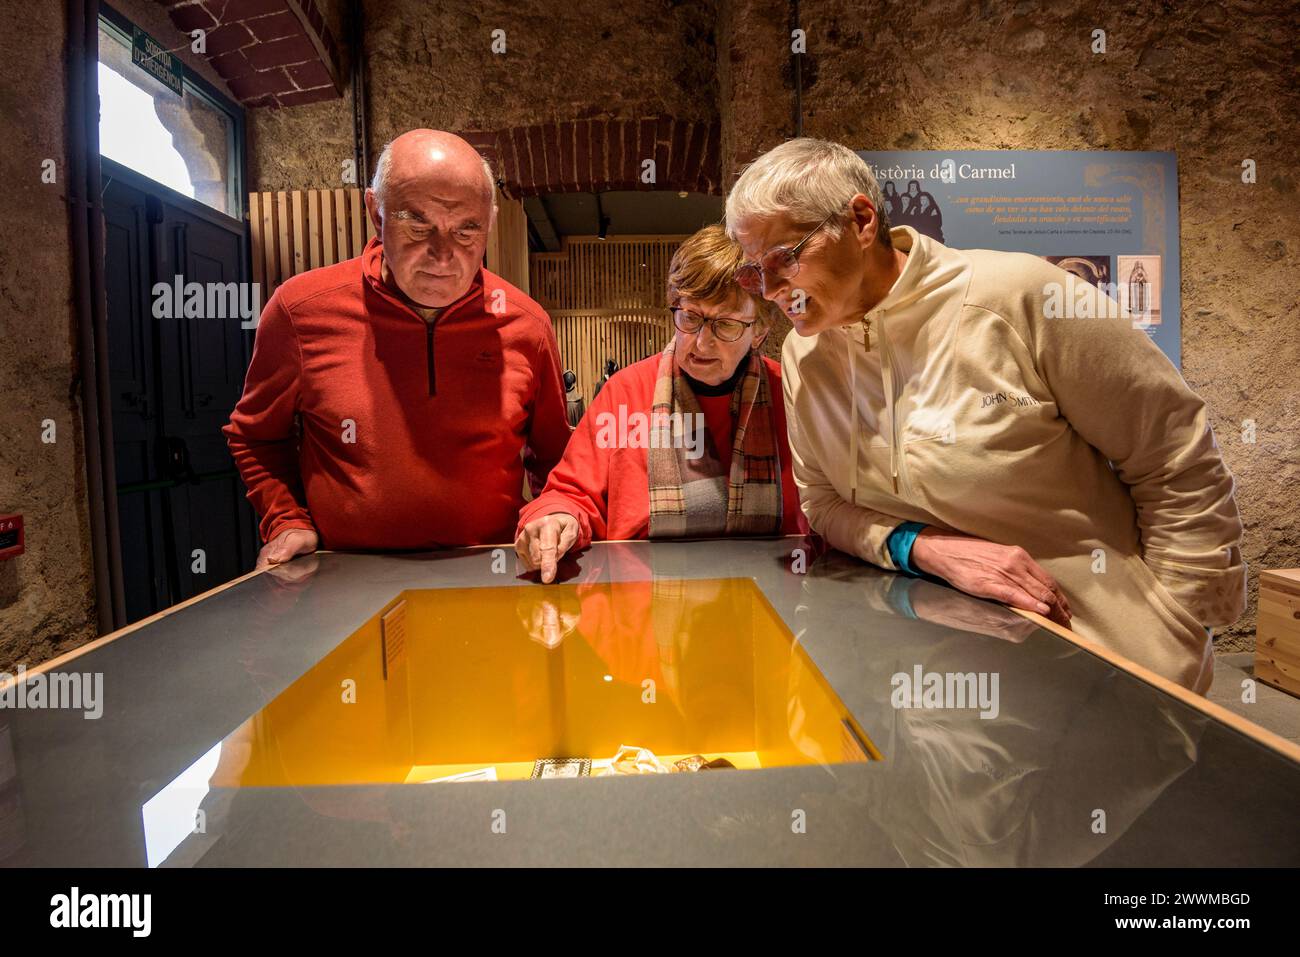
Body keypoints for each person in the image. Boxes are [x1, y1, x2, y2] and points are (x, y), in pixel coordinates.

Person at [725, 137, 1245, 693]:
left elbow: (1173, 454)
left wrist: (1178, 624)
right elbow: (824, 503)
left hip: (1105, 669)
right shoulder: (807, 356)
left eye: (784, 257)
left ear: (860, 220)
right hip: (944, 687)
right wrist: (922, 547)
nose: (772, 289)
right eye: (754, 271)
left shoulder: (1020, 299)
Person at [224, 129, 571, 567]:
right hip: (346, 578)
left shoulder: (528, 324)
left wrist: (552, 513)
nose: (443, 256)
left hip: (491, 571)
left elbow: (557, 460)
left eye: (467, 230)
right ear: (376, 212)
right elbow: (255, 436)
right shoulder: (300, 311)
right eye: (418, 223)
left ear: (490, 223)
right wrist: (286, 520)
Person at [515, 225, 806, 583]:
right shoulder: (625, 391)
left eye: (726, 325)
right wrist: (556, 517)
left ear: (759, 330)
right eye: (691, 317)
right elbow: (571, 493)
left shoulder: (791, 394)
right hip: (641, 613)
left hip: (772, 607)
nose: (701, 343)